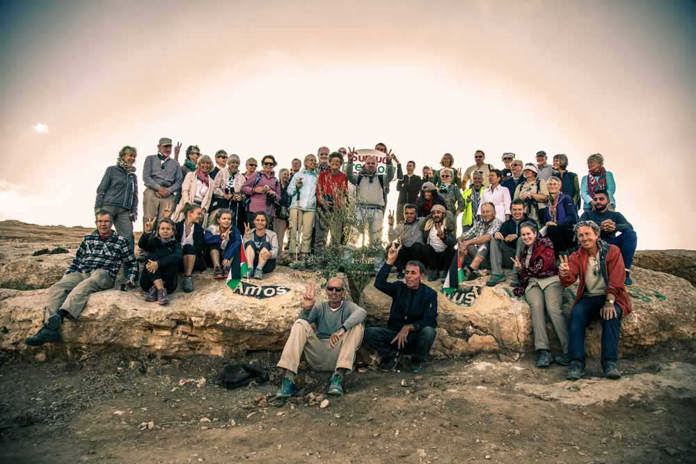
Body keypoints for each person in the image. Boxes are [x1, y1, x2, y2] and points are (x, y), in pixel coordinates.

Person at [25, 211, 138, 346]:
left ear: (111, 223)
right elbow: (77, 260)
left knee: (85, 285)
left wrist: (130, 278)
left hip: (103, 273)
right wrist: (68, 275)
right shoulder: (88, 239)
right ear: (96, 223)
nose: (103, 224)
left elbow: (131, 262)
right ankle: (50, 327)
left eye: (106, 221)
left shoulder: (120, 241)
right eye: (100, 221)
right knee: (58, 287)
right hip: (82, 271)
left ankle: (58, 318)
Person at [559, 220, 632, 381]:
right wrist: (564, 273)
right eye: (581, 235)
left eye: (587, 234)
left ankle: (609, 363)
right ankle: (577, 363)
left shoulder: (612, 251)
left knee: (611, 316)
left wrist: (610, 301)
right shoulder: (576, 256)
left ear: (596, 234)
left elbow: (617, 278)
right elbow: (568, 281)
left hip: (611, 297)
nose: (584, 238)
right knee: (576, 314)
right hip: (590, 297)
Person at [275, 279, 367, 398]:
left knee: (357, 326)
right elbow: (305, 323)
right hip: (318, 353)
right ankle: (288, 380)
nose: (334, 292)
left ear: (343, 292)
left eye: (338, 289)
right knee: (299, 324)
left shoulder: (348, 306)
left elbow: (362, 312)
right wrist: (307, 309)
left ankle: (338, 377)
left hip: (338, 354)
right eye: (330, 289)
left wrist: (342, 329)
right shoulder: (320, 307)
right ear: (326, 291)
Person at [364, 243, 437, 373]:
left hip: (413, 340)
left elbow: (430, 320)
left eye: (413, 273)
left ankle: (416, 361)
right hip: (393, 337)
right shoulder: (398, 288)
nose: (409, 276)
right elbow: (379, 283)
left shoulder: (429, 294)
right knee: (368, 332)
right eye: (407, 272)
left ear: (421, 276)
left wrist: (409, 327)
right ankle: (391, 356)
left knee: (429, 331)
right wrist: (390, 261)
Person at [511, 222, 569, 368]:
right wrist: (519, 269)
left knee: (553, 308)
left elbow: (544, 264)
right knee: (536, 306)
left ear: (535, 233)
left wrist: (524, 269)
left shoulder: (546, 243)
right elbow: (527, 274)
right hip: (533, 283)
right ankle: (543, 351)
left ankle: (570, 351)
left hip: (550, 280)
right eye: (523, 234)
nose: (526, 237)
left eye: (528, 233)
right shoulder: (525, 251)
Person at [579, 190, 637, 285]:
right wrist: (599, 227)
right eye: (595, 199)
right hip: (595, 245)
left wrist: (615, 227)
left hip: (611, 245)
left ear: (608, 201)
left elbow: (629, 227)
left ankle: (625, 272)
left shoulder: (616, 215)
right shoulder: (587, 214)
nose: (598, 201)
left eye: (601, 199)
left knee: (631, 234)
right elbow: (579, 226)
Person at [346, 153, 396, 247]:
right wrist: (350, 162)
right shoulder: (359, 177)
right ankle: (348, 260)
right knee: (354, 236)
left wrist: (389, 163)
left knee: (376, 239)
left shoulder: (381, 177)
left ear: (377, 165)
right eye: (368, 163)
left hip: (376, 210)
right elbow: (349, 176)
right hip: (360, 210)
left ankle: (376, 261)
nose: (370, 165)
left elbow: (390, 176)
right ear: (365, 164)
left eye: (373, 163)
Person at [95, 145, 139, 249]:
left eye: (134, 156)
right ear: (123, 156)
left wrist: (134, 211)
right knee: (102, 234)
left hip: (124, 210)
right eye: (130, 155)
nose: (132, 158)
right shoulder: (112, 170)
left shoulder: (133, 176)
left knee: (128, 236)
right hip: (108, 207)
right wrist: (97, 208)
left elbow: (135, 195)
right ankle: (94, 259)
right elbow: (101, 190)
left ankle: (128, 262)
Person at [449, 202, 502, 283]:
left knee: (485, 242)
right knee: (465, 244)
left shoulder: (497, 222)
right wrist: (461, 242)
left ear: (494, 213)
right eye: (483, 212)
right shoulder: (480, 223)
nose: (485, 214)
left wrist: (468, 242)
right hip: (479, 255)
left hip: (491, 258)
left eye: (488, 211)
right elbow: (464, 235)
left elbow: (487, 237)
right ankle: (456, 272)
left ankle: (471, 270)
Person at [142, 137, 183, 230]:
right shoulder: (150, 159)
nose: (168, 149)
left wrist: (169, 190)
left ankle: (161, 243)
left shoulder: (175, 164)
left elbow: (179, 181)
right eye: (165, 147)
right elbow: (146, 177)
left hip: (168, 194)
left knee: (164, 221)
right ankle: (147, 242)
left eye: (170, 147)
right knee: (149, 219)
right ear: (158, 146)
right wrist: (158, 188)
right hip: (152, 191)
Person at [138, 217, 182, 305]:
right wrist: (147, 232)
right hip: (148, 283)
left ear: (173, 231)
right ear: (158, 231)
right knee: (151, 257)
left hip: (168, 284)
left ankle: (158, 290)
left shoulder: (176, 245)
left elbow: (177, 256)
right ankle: (160, 291)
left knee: (173, 259)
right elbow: (142, 244)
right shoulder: (153, 242)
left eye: (168, 229)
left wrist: (158, 263)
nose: (165, 231)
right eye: (162, 228)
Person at [486, 199, 526, 287]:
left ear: (524, 210)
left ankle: (516, 274)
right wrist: (499, 235)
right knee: (494, 238)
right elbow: (502, 235)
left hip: (523, 258)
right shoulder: (506, 224)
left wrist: (518, 235)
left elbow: (535, 236)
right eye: (514, 210)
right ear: (511, 211)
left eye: (519, 209)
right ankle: (497, 274)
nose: (517, 212)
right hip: (509, 256)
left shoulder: (530, 222)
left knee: (521, 239)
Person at [315, 152, 349, 252]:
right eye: (333, 161)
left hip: (336, 209)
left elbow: (344, 192)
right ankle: (319, 259)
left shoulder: (343, 176)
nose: (335, 163)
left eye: (338, 161)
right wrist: (323, 201)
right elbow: (318, 190)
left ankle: (332, 261)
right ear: (329, 162)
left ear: (341, 164)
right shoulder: (322, 175)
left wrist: (338, 202)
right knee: (320, 236)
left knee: (335, 237)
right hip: (323, 207)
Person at [287, 154, 318, 258]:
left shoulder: (317, 177)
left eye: (314, 160)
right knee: (294, 230)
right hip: (297, 205)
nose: (313, 162)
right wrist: (296, 186)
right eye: (310, 160)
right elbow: (289, 191)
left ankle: (305, 253)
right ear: (305, 162)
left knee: (307, 232)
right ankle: (292, 253)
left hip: (310, 208)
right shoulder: (298, 175)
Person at [540, 176, 579, 256]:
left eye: (555, 184)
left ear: (559, 186)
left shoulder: (566, 198)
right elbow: (545, 219)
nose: (552, 186)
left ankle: (562, 254)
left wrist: (557, 223)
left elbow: (572, 217)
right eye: (550, 184)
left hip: (567, 229)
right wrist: (547, 223)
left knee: (552, 229)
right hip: (553, 229)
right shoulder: (548, 201)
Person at [387, 204, 426, 279]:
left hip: (417, 253)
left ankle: (416, 270)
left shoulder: (421, 221)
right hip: (405, 251)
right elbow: (391, 238)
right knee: (390, 247)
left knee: (417, 246)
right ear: (404, 214)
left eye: (411, 213)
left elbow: (432, 217)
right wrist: (390, 225)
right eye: (407, 213)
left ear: (416, 214)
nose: (409, 215)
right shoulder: (401, 224)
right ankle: (401, 270)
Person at [172, 155, 214, 224]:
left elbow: (209, 198)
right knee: (181, 226)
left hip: (200, 207)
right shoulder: (191, 175)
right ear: (199, 164)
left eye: (208, 163)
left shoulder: (211, 182)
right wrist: (187, 203)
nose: (205, 165)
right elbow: (185, 190)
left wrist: (204, 209)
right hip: (188, 204)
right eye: (203, 163)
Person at [242, 155, 281, 227]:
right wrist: (255, 190)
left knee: (266, 236)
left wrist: (273, 193)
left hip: (268, 213)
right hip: (254, 211)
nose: (268, 165)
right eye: (266, 163)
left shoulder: (275, 180)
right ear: (262, 164)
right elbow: (244, 188)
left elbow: (279, 198)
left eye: (271, 164)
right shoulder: (256, 175)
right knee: (252, 235)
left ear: (274, 165)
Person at [175, 204, 206, 292]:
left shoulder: (199, 229)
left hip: (194, 260)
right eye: (198, 214)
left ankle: (188, 277)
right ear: (190, 213)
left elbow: (199, 248)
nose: (200, 216)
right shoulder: (177, 226)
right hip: (178, 258)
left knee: (189, 247)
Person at [204, 209, 242, 280]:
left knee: (235, 245)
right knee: (213, 245)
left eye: (229, 219)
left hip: (226, 257)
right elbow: (206, 240)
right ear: (218, 220)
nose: (226, 221)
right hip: (212, 257)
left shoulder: (234, 229)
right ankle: (217, 268)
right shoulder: (212, 228)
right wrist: (220, 237)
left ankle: (226, 267)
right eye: (224, 218)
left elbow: (238, 242)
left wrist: (227, 257)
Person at [422, 204, 456, 281]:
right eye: (433, 213)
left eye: (438, 212)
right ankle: (434, 270)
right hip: (433, 257)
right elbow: (424, 240)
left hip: (444, 256)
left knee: (451, 249)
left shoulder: (448, 225)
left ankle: (445, 270)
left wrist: (443, 237)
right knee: (425, 247)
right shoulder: (429, 225)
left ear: (443, 214)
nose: (436, 215)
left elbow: (453, 243)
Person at [210, 154, 245, 226]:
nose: (234, 165)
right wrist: (224, 195)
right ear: (228, 163)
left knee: (231, 225)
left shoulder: (242, 177)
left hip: (235, 205)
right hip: (222, 203)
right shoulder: (222, 172)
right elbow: (215, 188)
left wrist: (240, 197)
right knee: (218, 224)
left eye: (236, 163)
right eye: (232, 162)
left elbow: (244, 193)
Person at [243, 212, 279, 279]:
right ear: (254, 221)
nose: (260, 222)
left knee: (266, 244)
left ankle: (259, 270)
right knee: (250, 243)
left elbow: (276, 250)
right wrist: (246, 237)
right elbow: (243, 250)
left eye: (262, 220)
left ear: (266, 222)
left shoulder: (272, 234)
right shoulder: (249, 232)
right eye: (257, 220)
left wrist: (270, 254)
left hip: (266, 264)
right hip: (252, 262)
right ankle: (250, 269)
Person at [275, 168, 291, 254]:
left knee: (280, 235)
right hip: (274, 212)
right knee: (274, 235)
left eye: (288, 174)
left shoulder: (290, 186)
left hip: (284, 214)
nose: (286, 176)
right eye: (284, 174)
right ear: (280, 175)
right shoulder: (275, 185)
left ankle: (278, 256)